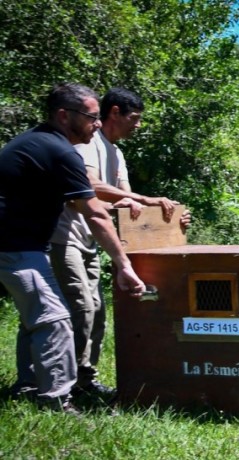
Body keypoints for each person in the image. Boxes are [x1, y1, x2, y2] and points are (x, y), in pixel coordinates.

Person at [0, 83, 146, 414]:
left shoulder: (39, 142)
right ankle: (56, 401)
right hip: (14, 246)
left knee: (38, 316)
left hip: (20, 245)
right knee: (55, 320)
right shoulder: (60, 150)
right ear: (64, 116)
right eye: (91, 117)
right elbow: (94, 212)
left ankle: (29, 385)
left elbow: (87, 207)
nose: (97, 125)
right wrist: (123, 265)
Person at [48, 87, 190, 399]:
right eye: (135, 118)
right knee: (80, 308)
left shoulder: (118, 154)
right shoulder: (88, 143)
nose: (138, 125)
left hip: (91, 240)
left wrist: (172, 218)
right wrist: (138, 198)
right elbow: (89, 186)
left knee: (97, 310)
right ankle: (60, 386)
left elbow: (128, 206)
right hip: (64, 235)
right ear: (115, 113)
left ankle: (85, 380)